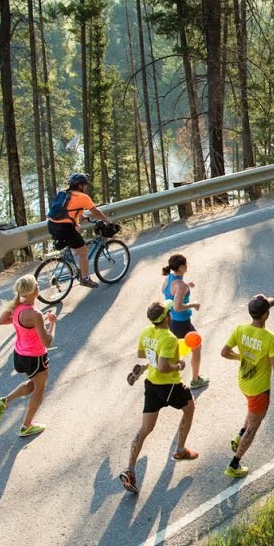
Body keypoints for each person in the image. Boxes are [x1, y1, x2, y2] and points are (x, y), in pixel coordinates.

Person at [119, 301, 199, 495]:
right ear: (166, 318)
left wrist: (151, 361)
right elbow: (164, 367)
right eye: (169, 312)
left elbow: (141, 353)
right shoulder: (169, 338)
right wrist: (178, 365)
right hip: (170, 385)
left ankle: (130, 470)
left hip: (151, 384)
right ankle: (180, 450)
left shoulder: (147, 331)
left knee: (145, 428)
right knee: (189, 408)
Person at [220, 295, 274, 479]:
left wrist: (241, 357)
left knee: (251, 411)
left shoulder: (240, 329)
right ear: (266, 315)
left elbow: (225, 352)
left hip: (244, 382)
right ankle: (234, 464)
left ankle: (239, 436)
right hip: (259, 389)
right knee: (254, 427)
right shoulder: (270, 339)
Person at [0, 275, 56, 438]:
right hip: (35, 357)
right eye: (37, 285)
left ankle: (4, 401)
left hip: (20, 355)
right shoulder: (34, 314)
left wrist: (28, 322)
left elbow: (1, 321)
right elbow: (47, 342)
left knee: (33, 384)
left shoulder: (16, 307)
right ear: (34, 291)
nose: (38, 286)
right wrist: (52, 323)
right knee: (39, 389)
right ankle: (26, 426)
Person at [46, 172, 112, 288]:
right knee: (84, 252)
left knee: (79, 229)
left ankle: (71, 256)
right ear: (80, 185)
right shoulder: (83, 197)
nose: (86, 187)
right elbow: (96, 212)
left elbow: (68, 210)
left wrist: (82, 217)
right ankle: (85, 279)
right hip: (64, 228)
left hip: (52, 225)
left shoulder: (65, 193)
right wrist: (108, 222)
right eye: (85, 184)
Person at [160, 254, 208, 390]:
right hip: (182, 322)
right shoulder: (180, 285)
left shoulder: (169, 278)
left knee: (172, 350)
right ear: (181, 267)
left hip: (170, 320)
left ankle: (165, 379)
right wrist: (193, 304)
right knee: (196, 347)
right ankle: (195, 380)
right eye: (185, 264)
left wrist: (187, 286)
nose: (187, 266)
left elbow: (165, 291)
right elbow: (177, 307)